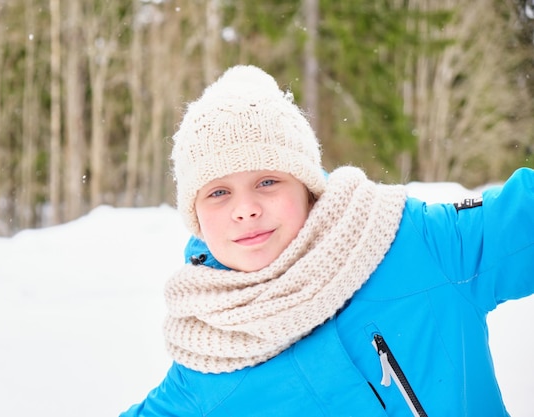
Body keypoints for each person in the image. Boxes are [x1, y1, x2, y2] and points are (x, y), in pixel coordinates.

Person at [119, 65, 534, 416]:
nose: (244, 209)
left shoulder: (416, 243)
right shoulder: (207, 363)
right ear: (196, 217)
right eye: (218, 192)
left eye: (267, 181)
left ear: (307, 186)